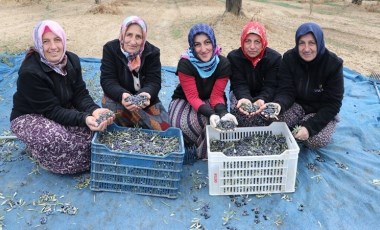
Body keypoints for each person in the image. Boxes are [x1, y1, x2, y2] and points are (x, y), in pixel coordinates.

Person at [10, 20, 114, 174]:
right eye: (46, 41)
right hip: (30, 116)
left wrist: (94, 110)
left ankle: (47, 147)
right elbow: (51, 110)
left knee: (97, 132)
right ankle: (37, 151)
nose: (53, 47)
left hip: (60, 108)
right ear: (39, 44)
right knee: (58, 140)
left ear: (63, 40)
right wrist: (84, 118)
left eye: (57, 39)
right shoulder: (30, 73)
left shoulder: (71, 60)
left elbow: (80, 93)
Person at [266, 22, 344, 149]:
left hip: (320, 110)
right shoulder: (289, 58)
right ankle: (299, 122)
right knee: (274, 123)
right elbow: (286, 90)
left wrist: (309, 128)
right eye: (302, 43)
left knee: (315, 140)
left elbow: (333, 104)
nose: (306, 49)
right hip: (297, 105)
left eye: (312, 43)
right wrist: (279, 104)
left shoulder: (333, 64)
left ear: (319, 42)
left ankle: (314, 124)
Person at [169, 23, 238, 159]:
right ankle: (192, 143)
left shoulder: (223, 64)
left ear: (213, 42)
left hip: (211, 99)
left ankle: (203, 152)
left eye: (207, 42)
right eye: (197, 44)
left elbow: (216, 96)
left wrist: (222, 113)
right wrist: (211, 114)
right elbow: (192, 97)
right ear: (192, 46)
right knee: (180, 124)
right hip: (185, 99)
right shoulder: (185, 63)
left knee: (217, 124)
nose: (203, 49)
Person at [100, 16, 170, 131]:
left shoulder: (152, 53)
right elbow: (108, 81)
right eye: (129, 35)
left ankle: (132, 120)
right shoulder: (110, 49)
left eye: (138, 37)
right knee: (110, 107)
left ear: (143, 38)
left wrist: (145, 94)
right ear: (123, 34)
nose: (133, 42)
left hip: (145, 102)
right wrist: (123, 95)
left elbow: (154, 82)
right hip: (119, 101)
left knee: (165, 127)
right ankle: (137, 121)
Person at [228, 21, 281, 127]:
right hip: (241, 95)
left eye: (257, 42)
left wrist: (262, 99)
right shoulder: (234, 57)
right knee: (239, 113)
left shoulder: (274, 58)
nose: (252, 47)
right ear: (242, 41)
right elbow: (239, 83)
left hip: (265, 96)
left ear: (263, 42)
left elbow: (271, 85)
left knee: (267, 116)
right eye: (248, 41)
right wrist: (245, 98)